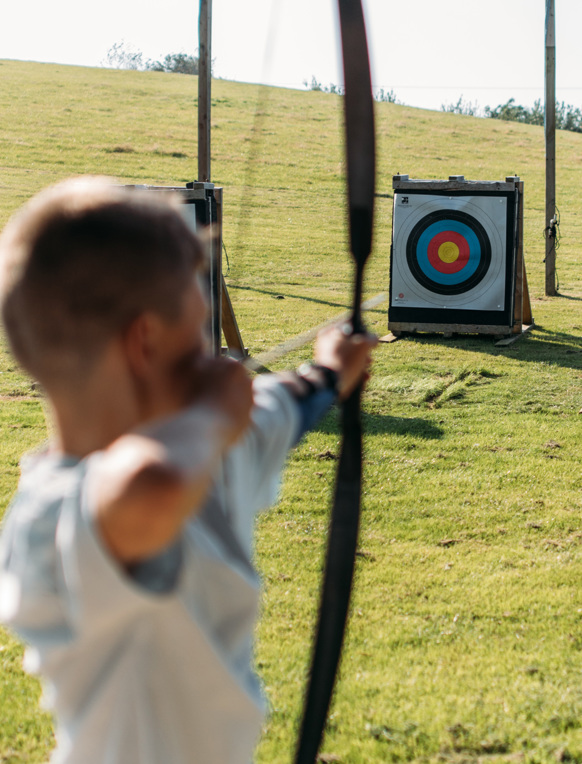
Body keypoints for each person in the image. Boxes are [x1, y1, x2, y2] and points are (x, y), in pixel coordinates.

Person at [0, 177, 376, 764]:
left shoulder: (205, 445)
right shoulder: (52, 515)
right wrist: (211, 416)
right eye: (198, 336)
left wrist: (328, 374)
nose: (215, 359)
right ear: (145, 342)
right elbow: (150, 488)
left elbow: (281, 411)